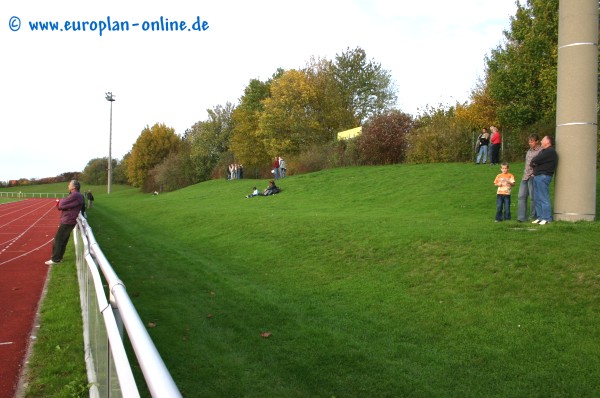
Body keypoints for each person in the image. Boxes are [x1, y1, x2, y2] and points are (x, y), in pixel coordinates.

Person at [45, 180, 85, 265]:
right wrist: (62, 204)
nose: (68, 185)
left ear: (74, 187)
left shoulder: (75, 195)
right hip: (69, 219)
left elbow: (61, 204)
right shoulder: (76, 195)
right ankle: (59, 258)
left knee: (58, 239)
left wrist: (60, 203)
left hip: (68, 220)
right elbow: (62, 205)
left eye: (70, 184)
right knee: (63, 239)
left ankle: (55, 259)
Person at [531, 135, 558, 225]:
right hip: (537, 176)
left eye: (542, 140)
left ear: (548, 142)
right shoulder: (543, 151)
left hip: (544, 176)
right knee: (537, 198)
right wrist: (535, 162)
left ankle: (547, 218)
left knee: (543, 197)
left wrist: (536, 162)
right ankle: (540, 217)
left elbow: (536, 160)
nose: (541, 141)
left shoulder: (550, 151)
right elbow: (533, 161)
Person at [517, 134, 542, 222]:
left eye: (532, 141)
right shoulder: (529, 151)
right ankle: (521, 218)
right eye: (529, 141)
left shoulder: (541, 151)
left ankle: (533, 216)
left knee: (533, 197)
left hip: (533, 176)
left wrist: (535, 173)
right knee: (521, 196)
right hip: (525, 177)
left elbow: (541, 164)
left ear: (537, 141)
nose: (530, 143)